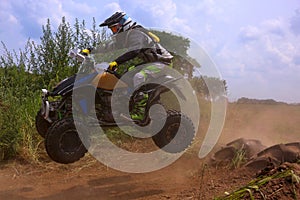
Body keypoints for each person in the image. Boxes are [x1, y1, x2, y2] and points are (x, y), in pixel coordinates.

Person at [97, 11, 173, 120]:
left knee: (139, 77)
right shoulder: (127, 36)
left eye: (114, 28)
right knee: (126, 75)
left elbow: (135, 51)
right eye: (111, 29)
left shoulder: (136, 33)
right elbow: (109, 47)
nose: (113, 32)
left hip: (162, 63)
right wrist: (90, 50)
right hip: (150, 63)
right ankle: (126, 104)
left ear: (123, 24)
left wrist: (117, 62)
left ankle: (140, 112)